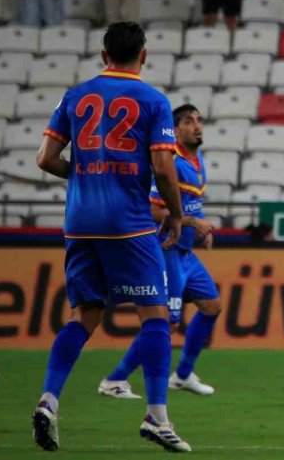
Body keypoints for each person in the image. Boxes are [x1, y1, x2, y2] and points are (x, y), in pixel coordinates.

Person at [32, 22, 190, 452]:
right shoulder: (154, 101)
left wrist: (84, 173)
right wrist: (176, 215)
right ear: (144, 55)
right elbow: (162, 168)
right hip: (130, 224)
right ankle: (157, 417)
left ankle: (48, 401)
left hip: (79, 222)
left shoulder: (75, 95)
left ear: (104, 56)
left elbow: (45, 159)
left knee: (84, 315)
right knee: (156, 315)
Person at [99, 104, 221, 400]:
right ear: (175, 130)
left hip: (184, 252)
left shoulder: (196, 159)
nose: (197, 125)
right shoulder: (171, 161)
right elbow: (153, 209)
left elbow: (189, 202)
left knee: (211, 306)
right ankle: (114, 380)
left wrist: (198, 230)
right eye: (189, 121)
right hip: (165, 249)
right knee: (167, 322)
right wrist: (192, 222)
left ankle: (181, 375)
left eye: (199, 119)